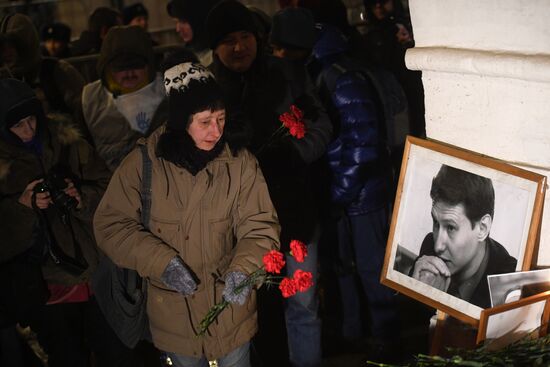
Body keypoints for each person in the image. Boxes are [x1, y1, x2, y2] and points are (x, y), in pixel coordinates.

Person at [93, 50, 280, 367]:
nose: (216, 131)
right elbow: (111, 226)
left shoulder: (241, 163)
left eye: (221, 119)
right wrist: (162, 262)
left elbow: (260, 226)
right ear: (180, 123)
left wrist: (243, 271)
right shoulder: (142, 165)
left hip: (231, 314)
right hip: (173, 320)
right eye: (205, 122)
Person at [206, 2, 332, 366]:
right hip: (237, 225)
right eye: (228, 41)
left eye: (245, 37)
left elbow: (321, 122)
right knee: (252, 309)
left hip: (296, 212)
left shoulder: (287, 75)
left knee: (304, 301)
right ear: (215, 48)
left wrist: (294, 151)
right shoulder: (206, 89)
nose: (239, 47)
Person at [0, 78, 129, 367]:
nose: (29, 130)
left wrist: (81, 198)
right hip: (46, 289)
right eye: (18, 125)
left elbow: (110, 190)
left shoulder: (69, 143)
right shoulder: (3, 168)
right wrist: (23, 207)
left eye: (32, 119)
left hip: (96, 277)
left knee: (116, 354)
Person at [306, 11, 401, 361]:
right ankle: (354, 334)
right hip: (345, 192)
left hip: (362, 195)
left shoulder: (341, 78)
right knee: (344, 266)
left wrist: (340, 191)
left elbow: (363, 143)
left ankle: (386, 339)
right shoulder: (324, 73)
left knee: (371, 269)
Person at [411, 165, 518, 308]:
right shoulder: (429, 246)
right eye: (436, 223)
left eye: (450, 227)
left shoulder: (509, 280)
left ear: (482, 228)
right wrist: (415, 292)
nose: (438, 246)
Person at [81, 25, 167, 172]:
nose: (129, 74)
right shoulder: (91, 99)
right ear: (107, 68)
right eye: (120, 68)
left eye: (136, 66)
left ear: (149, 65)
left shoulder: (166, 90)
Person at [0, 13, 85, 120]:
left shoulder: (58, 70)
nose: (7, 52)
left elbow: (83, 111)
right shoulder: (4, 80)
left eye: (14, 44)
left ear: (28, 43)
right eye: (3, 46)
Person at [70, 7, 123, 81]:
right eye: (118, 30)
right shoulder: (95, 58)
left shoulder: (76, 49)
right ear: (104, 32)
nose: (121, 35)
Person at [166, 0, 220, 66]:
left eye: (183, 21)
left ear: (198, 20)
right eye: (176, 22)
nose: (178, 29)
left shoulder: (219, 55)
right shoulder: (185, 54)